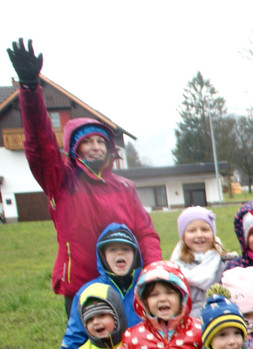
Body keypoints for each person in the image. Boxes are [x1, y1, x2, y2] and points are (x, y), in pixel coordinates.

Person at [7, 39, 161, 310]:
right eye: (87, 142)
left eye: (101, 142)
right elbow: (40, 144)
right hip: (81, 285)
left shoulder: (125, 186)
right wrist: (30, 90)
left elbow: (145, 232)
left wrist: (154, 271)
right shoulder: (61, 181)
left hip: (125, 282)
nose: (95, 147)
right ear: (75, 148)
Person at [170, 207, 233, 317]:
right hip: (187, 324)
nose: (199, 235)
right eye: (192, 230)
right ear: (183, 235)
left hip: (219, 320)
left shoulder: (225, 264)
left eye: (205, 229)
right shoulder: (176, 267)